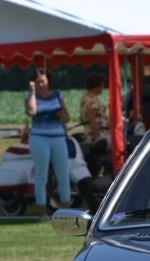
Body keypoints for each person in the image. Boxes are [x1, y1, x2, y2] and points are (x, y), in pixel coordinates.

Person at [25, 68, 71, 220]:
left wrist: (61, 114)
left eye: (43, 81)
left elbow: (67, 119)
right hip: (39, 138)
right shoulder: (31, 97)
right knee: (41, 176)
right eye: (38, 82)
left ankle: (67, 212)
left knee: (63, 175)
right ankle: (43, 213)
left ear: (48, 81)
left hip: (58, 137)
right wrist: (32, 92)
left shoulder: (58, 95)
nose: (41, 84)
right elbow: (32, 111)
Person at [79, 72, 112, 177]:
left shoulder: (86, 98)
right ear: (97, 85)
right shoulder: (91, 99)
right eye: (102, 84)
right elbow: (91, 118)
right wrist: (98, 138)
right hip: (99, 135)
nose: (103, 87)